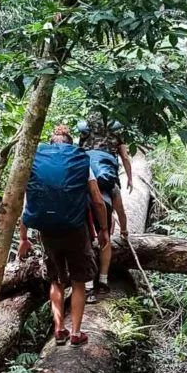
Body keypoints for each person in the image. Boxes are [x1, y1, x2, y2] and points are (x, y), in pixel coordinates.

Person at [19, 125, 109, 347]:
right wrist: (104, 229)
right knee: (79, 282)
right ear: (70, 145)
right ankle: (76, 333)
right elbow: (97, 200)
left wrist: (23, 238)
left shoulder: (37, 164)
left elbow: (26, 204)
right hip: (76, 230)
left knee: (56, 281)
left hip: (47, 231)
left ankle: (59, 330)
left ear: (51, 146)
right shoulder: (79, 163)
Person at [78, 112, 134, 296]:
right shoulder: (117, 133)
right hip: (106, 184)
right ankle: (103, 279)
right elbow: (125, 157)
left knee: (84, 239)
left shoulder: (84, 133)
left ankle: (87, 285)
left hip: (84, 184)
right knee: (106, 238)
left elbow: (76, 154)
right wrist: (124, 231)